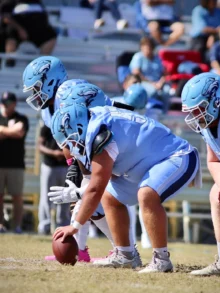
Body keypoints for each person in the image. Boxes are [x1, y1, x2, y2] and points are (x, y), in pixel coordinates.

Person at [50, 101, 201, 272]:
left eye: (71, 142)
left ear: (79, 128)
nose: (72, 147)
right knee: (110, 197)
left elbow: (95, 187)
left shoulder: (101, 136)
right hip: (146, 164)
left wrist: (75, 226)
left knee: (147, 194)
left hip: (178, 156)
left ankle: (161, 259)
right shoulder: (93, 121)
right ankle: (125, 255)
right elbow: (102, 182)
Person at [22, 56, 141, 264]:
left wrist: (79, 171)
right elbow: (68, 143)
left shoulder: (70, 93)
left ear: (50, 81)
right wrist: (73, 168)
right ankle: (118, 250)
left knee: (91, 199)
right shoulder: (48, 111)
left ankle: (124, 251)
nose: (34, 94)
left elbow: (97, 125)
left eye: (37, 87)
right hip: (91, 151)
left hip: (114, 147)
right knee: (86, 201)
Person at [181, 72, 220, 276]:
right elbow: (214, 160)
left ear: (215, 101)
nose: (196, 116)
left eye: (199, 109)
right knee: (218, 196)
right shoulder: (209, 125)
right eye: (192, 111)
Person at [0, 91, 29, 233]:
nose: (6, 105)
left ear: (14, 104)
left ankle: (17, 226)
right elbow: (15, 132)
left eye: (9, 103)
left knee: (17, 196)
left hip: (16, 165)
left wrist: (2, 131)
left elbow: (20, 132)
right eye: (4, 102)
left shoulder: (21, 118)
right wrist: (11, 130)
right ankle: (0, 225)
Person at [38, 123, 71, 235]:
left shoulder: (69, 125)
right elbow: (40, 146)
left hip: (65, 166)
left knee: (65, 197)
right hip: (49, 166)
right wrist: (53, 153)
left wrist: (65, 154)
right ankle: (45, 226)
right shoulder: (47, 126)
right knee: (46, 198)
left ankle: (63, 227)